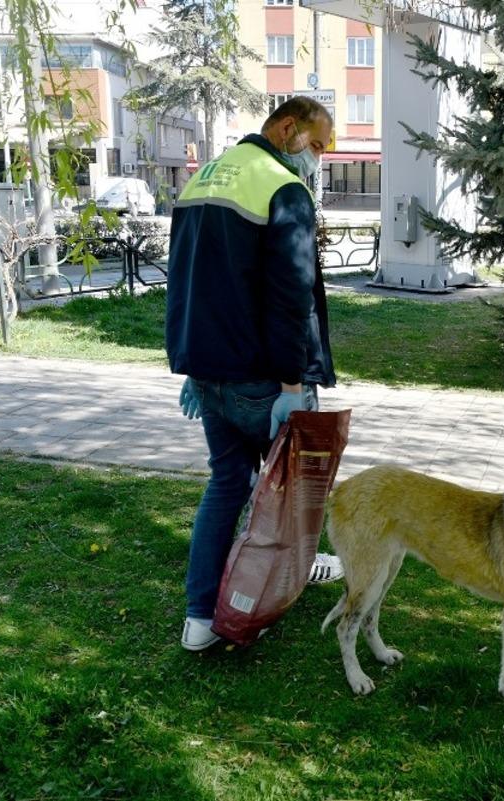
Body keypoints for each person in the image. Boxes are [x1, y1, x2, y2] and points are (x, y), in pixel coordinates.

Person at [166, 97, 343, 652]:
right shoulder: (282, 188)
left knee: (226, 484)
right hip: (265, 378)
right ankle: (269, 594)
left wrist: (191, 365)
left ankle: (199, 618)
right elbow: (292, 294)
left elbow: (186, 279)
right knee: (289, 495)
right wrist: (293, 386)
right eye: (317, 145)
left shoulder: (205, 179)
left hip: (210, 372)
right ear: (288, 129)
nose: (318, 158)